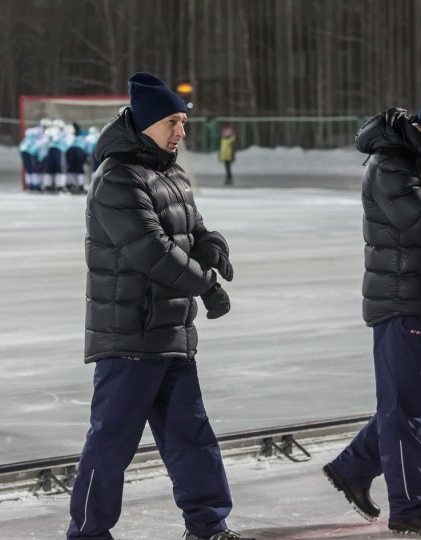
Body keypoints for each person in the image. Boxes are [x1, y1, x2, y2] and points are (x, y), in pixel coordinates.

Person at [67, 72, 252, 540]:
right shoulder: (117, 179)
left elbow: (194, 229)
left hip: (170, 332)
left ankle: (208, 527)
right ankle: (87, 533)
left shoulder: (169, 172)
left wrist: (213, 246)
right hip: (129, 336)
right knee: (110, 444)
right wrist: (206, 284)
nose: (182, 130)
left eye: (183, 121)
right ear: (148, 122)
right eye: (173, 120)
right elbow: (151, 251)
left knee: (192, 439)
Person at [323, 70, 421, 537]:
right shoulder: (393, 166)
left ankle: (353, 466)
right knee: (403, 408)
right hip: (400, 302)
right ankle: (409, 508)